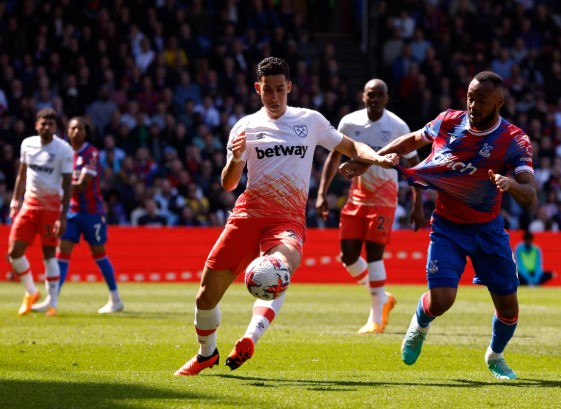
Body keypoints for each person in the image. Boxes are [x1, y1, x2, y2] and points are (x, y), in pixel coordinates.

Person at [174, 57, 399, 376]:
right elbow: (228, 184)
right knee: (204, 298)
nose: (275, 97)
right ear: (257, 89)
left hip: (286, 222)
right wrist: (236, 158)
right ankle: (206, 354)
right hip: (246, 216)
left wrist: (376, 158)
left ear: (290, 87)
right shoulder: (245, 127)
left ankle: (250, 337)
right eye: (268, 91)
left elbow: (350, 146)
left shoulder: (309, 121)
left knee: (279, 269)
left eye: (280, 89)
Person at [340, 71, 537, 380]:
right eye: (470, 97)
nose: (472, 104)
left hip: (488, 230)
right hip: (448, 226)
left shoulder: (513, 140)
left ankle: (495, 357)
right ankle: (418, 327)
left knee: (510, 309)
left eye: (481, 100)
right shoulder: (449, 121)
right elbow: (411, 141)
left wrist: (510, 184)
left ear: (499, 103)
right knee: (443, 299)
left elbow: (530, 195)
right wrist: (369, 161)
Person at [316, 78, 425, 334]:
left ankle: (376, 318)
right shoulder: (349, 123)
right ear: (362, 97)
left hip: (385, 196)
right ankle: (383, 297)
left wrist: (418, 204)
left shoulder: (398, 126)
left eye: (379, 95)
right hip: (357, 194)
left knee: (374, 254)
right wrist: (321, 193)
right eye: (369, 94)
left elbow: (414, 166)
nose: (374, 99)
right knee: (349, 257)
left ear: (386, 98)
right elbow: (334, 158)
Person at [31, 117, 124, 314]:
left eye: (80, 129)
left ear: (85, 132)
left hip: (92, 213)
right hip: (71, 213)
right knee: (62, 254)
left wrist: (52, 185)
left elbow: (82, 185)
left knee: (99, 254)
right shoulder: (63, 153)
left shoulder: (91, 153)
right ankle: (52, 300)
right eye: (72, 128)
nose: (76, 132)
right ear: (67, 131)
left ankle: (115, 299)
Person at [7, 108, 73, 316]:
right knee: (14, 253)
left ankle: (52, 302)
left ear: (55, 127)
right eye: (43, 123)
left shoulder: (63, 150)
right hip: (28, 206)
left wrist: (63, 216)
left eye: (51, 124)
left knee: (49, 255)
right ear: (36, 125)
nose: (46, 127)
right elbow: (22, 174)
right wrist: (14, 202)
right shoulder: (27, 144)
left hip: (51, 210)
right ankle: (31, 292)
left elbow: (68, 184)